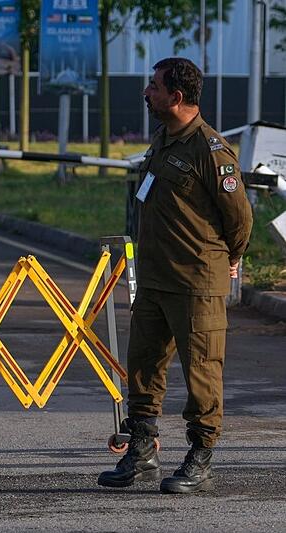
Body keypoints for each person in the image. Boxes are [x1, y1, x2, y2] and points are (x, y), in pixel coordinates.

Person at [97, 58, 252, 494]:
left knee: (201, 371)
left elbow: (239, 219)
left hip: (196, 282)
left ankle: (200, 459)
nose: (147, 93)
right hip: (154, 279)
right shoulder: (163, 139)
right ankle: (142, 453)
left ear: (176, 97)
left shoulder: (211, 150)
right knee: (143, 367)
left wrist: (228, 258)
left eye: (154, 87)